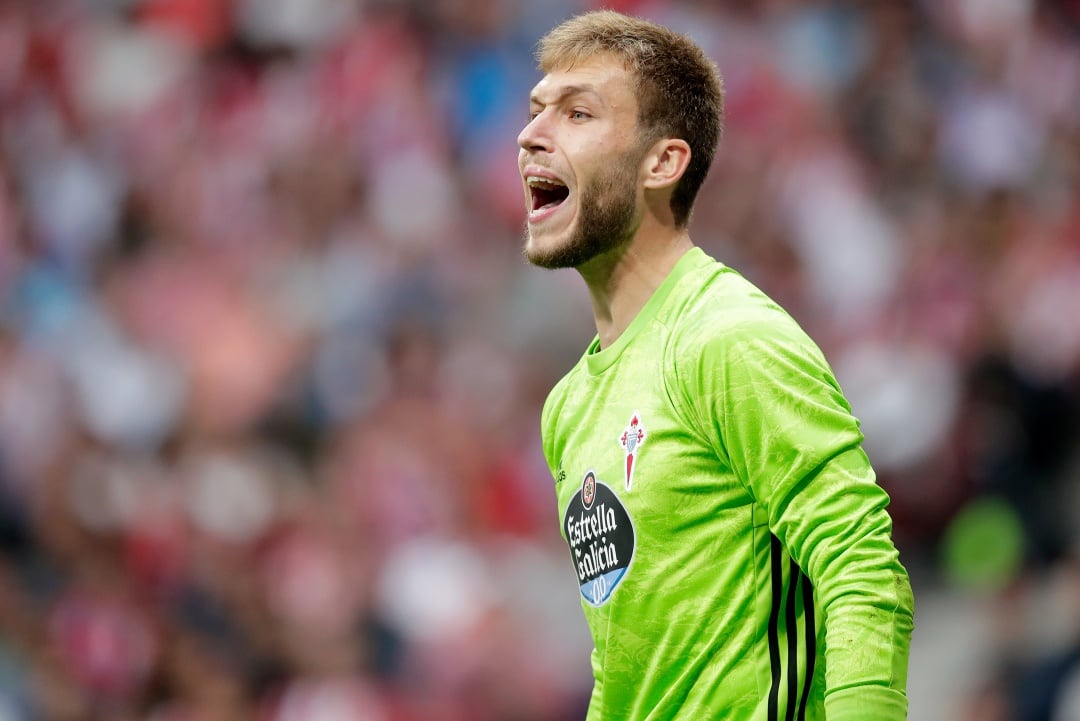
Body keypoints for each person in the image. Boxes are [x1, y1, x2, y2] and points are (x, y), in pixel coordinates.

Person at [517, 10, 914, 721]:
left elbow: (861, 568)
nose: (531, 134)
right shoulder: (569, 406)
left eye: (577, 112)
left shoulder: (728, 337)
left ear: (661, 164)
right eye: (536, 110)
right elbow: (622, 666)